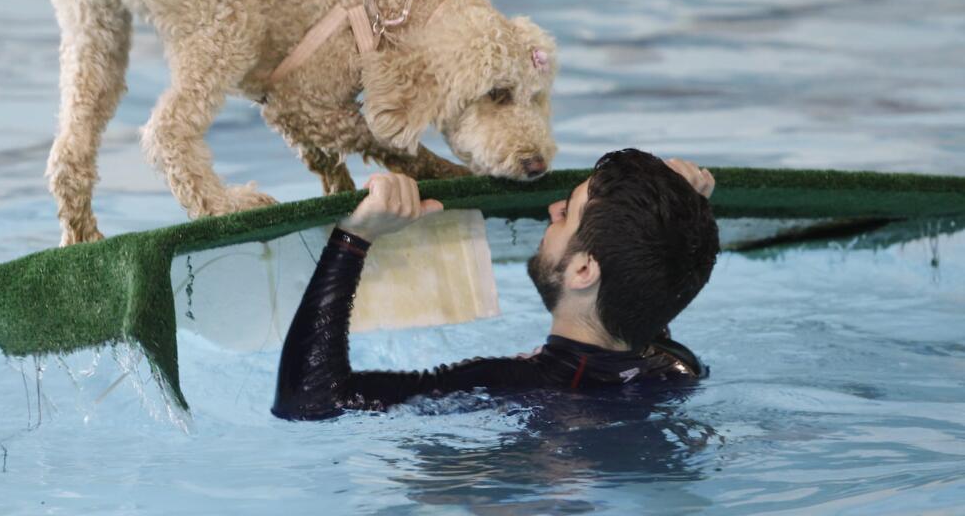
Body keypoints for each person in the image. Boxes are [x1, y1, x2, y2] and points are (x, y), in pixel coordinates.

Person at [272, 148, 719, 420]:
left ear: (584, 271)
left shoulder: (509, 386)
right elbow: (656, 284)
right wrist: (679, 215)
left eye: (567, 212)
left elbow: (311, 402)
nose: (552, 212)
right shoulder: (678, 369)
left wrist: (354, 238)